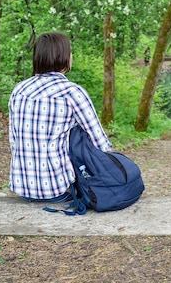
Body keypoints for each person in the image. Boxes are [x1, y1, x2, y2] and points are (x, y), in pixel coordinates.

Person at [8, 32, 112, 202]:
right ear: (64, 57)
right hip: (58, 189)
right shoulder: (71, 92)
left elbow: (13, 141)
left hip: (22, 188)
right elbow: (99, 142)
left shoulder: (19, 90)